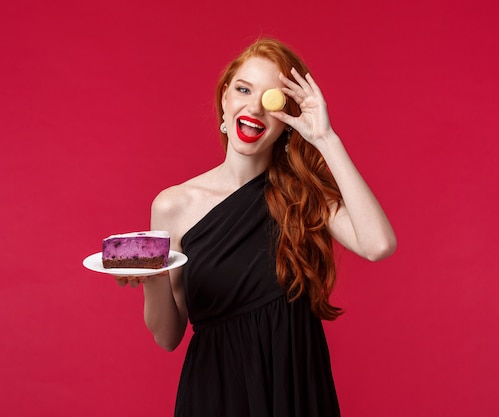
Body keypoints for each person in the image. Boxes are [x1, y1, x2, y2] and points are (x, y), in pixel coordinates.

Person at [115, 38, 397, 417]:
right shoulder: (173, 205)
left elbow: (378, 244)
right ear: (225, 99)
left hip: (295, 387)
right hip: (217, 393)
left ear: (288, 119)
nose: (254, 108)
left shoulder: (304, 195)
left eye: (272, 100)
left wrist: (326, 139)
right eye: (243, 89)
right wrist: (152, 278)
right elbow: (168, 336)